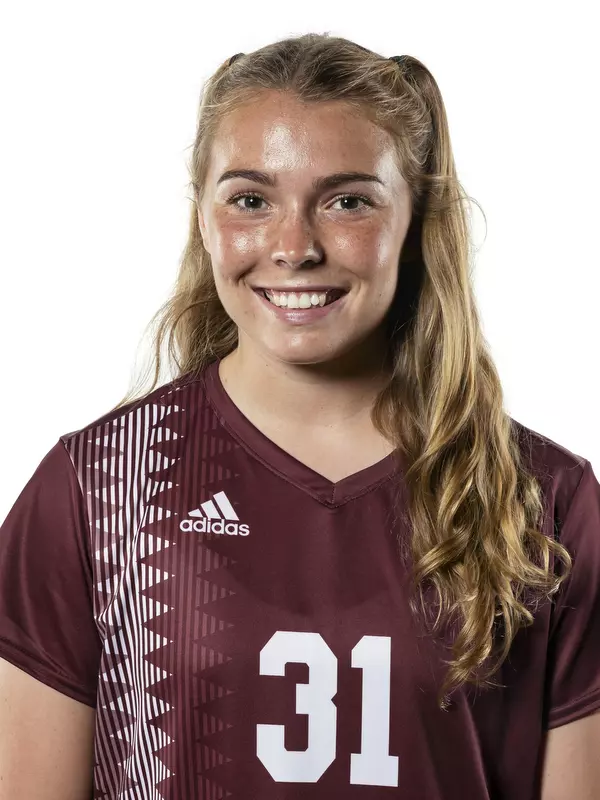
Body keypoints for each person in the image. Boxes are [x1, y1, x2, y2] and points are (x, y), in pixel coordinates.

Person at [0, 32, 599, 800]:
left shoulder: (544, 501)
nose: (294, 247)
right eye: (251, 200)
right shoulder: (101, 489)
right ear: (203, 217)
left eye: (348, 202)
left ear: (415, 220)